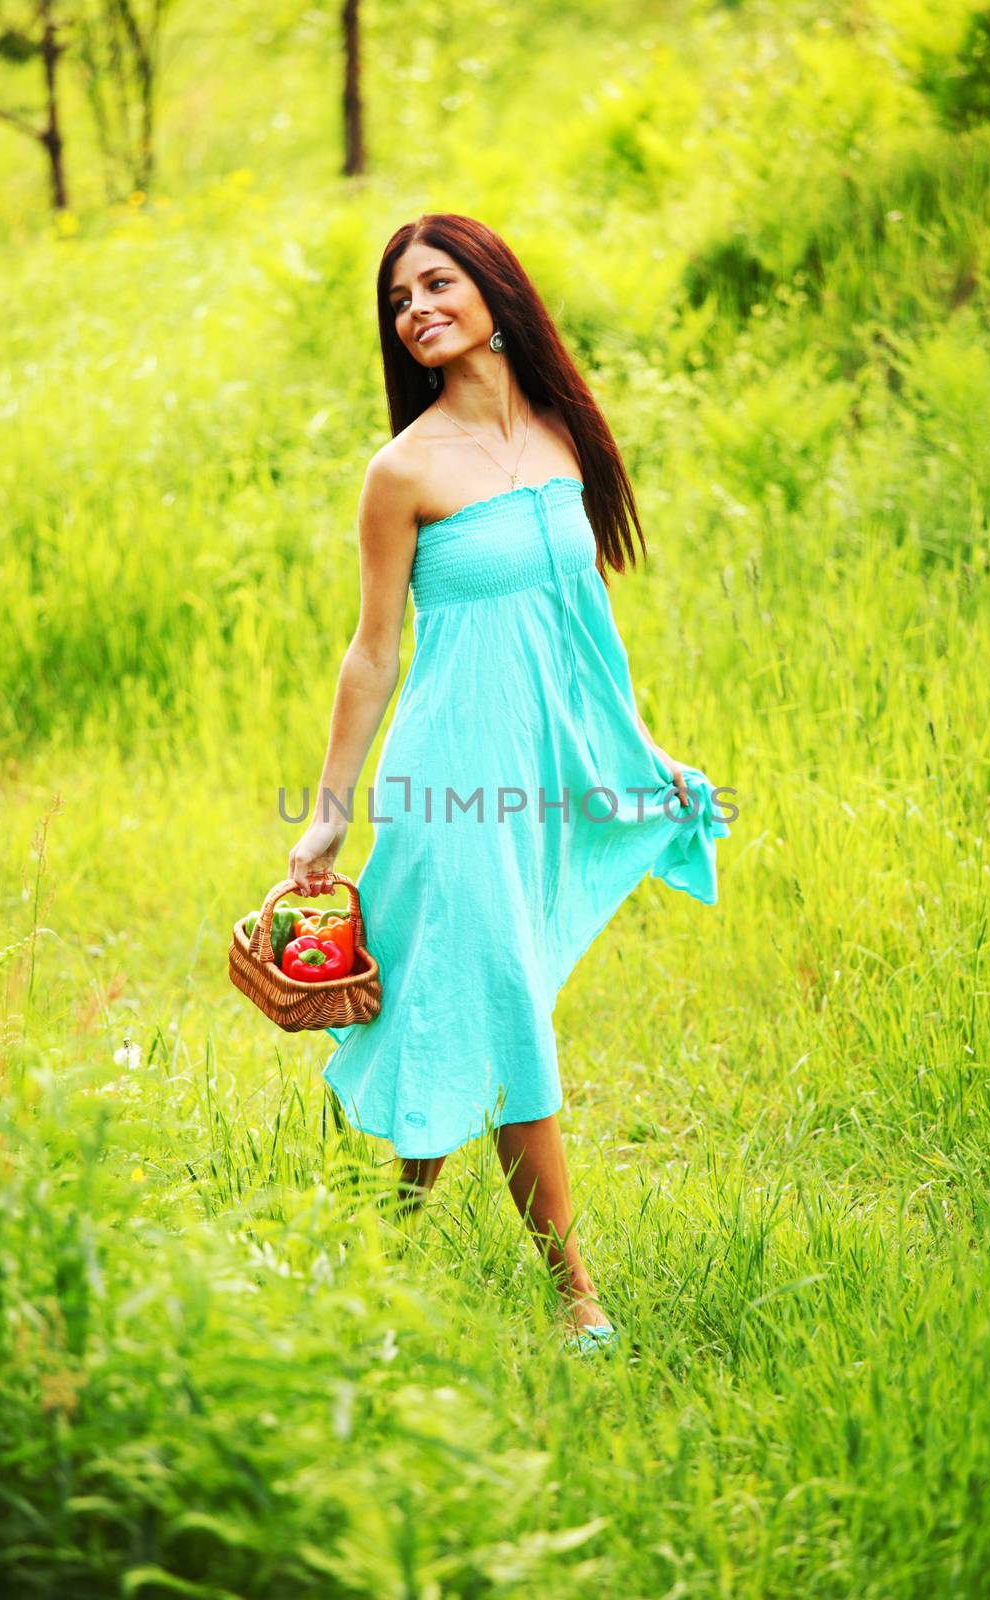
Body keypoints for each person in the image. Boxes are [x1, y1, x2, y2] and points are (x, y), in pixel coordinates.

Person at [288, 212, 731, 1355]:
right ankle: (575, 1292)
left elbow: (583, 632)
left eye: (437, 282)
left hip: (538, 771)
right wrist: (327, 813)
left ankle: (382, 1239)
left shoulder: (558, 435)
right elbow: (372, 648)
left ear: (492, 288)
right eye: (399, 298)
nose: (418, 308)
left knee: (465, 995)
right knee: (508, 1008)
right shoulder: (402, 470)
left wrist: (641, 757)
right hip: (449, 777)